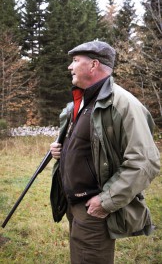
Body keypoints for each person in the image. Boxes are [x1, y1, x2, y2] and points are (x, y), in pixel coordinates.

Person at [50, 41, 160, 264]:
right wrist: (61, 149)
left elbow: (145, 162)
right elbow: (88, 143)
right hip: (75, 204)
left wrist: (106, 201)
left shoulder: (124, 104)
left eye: (75, 61)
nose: (70, 67)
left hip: (95, 208)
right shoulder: (83, 102)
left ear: (93, 65)